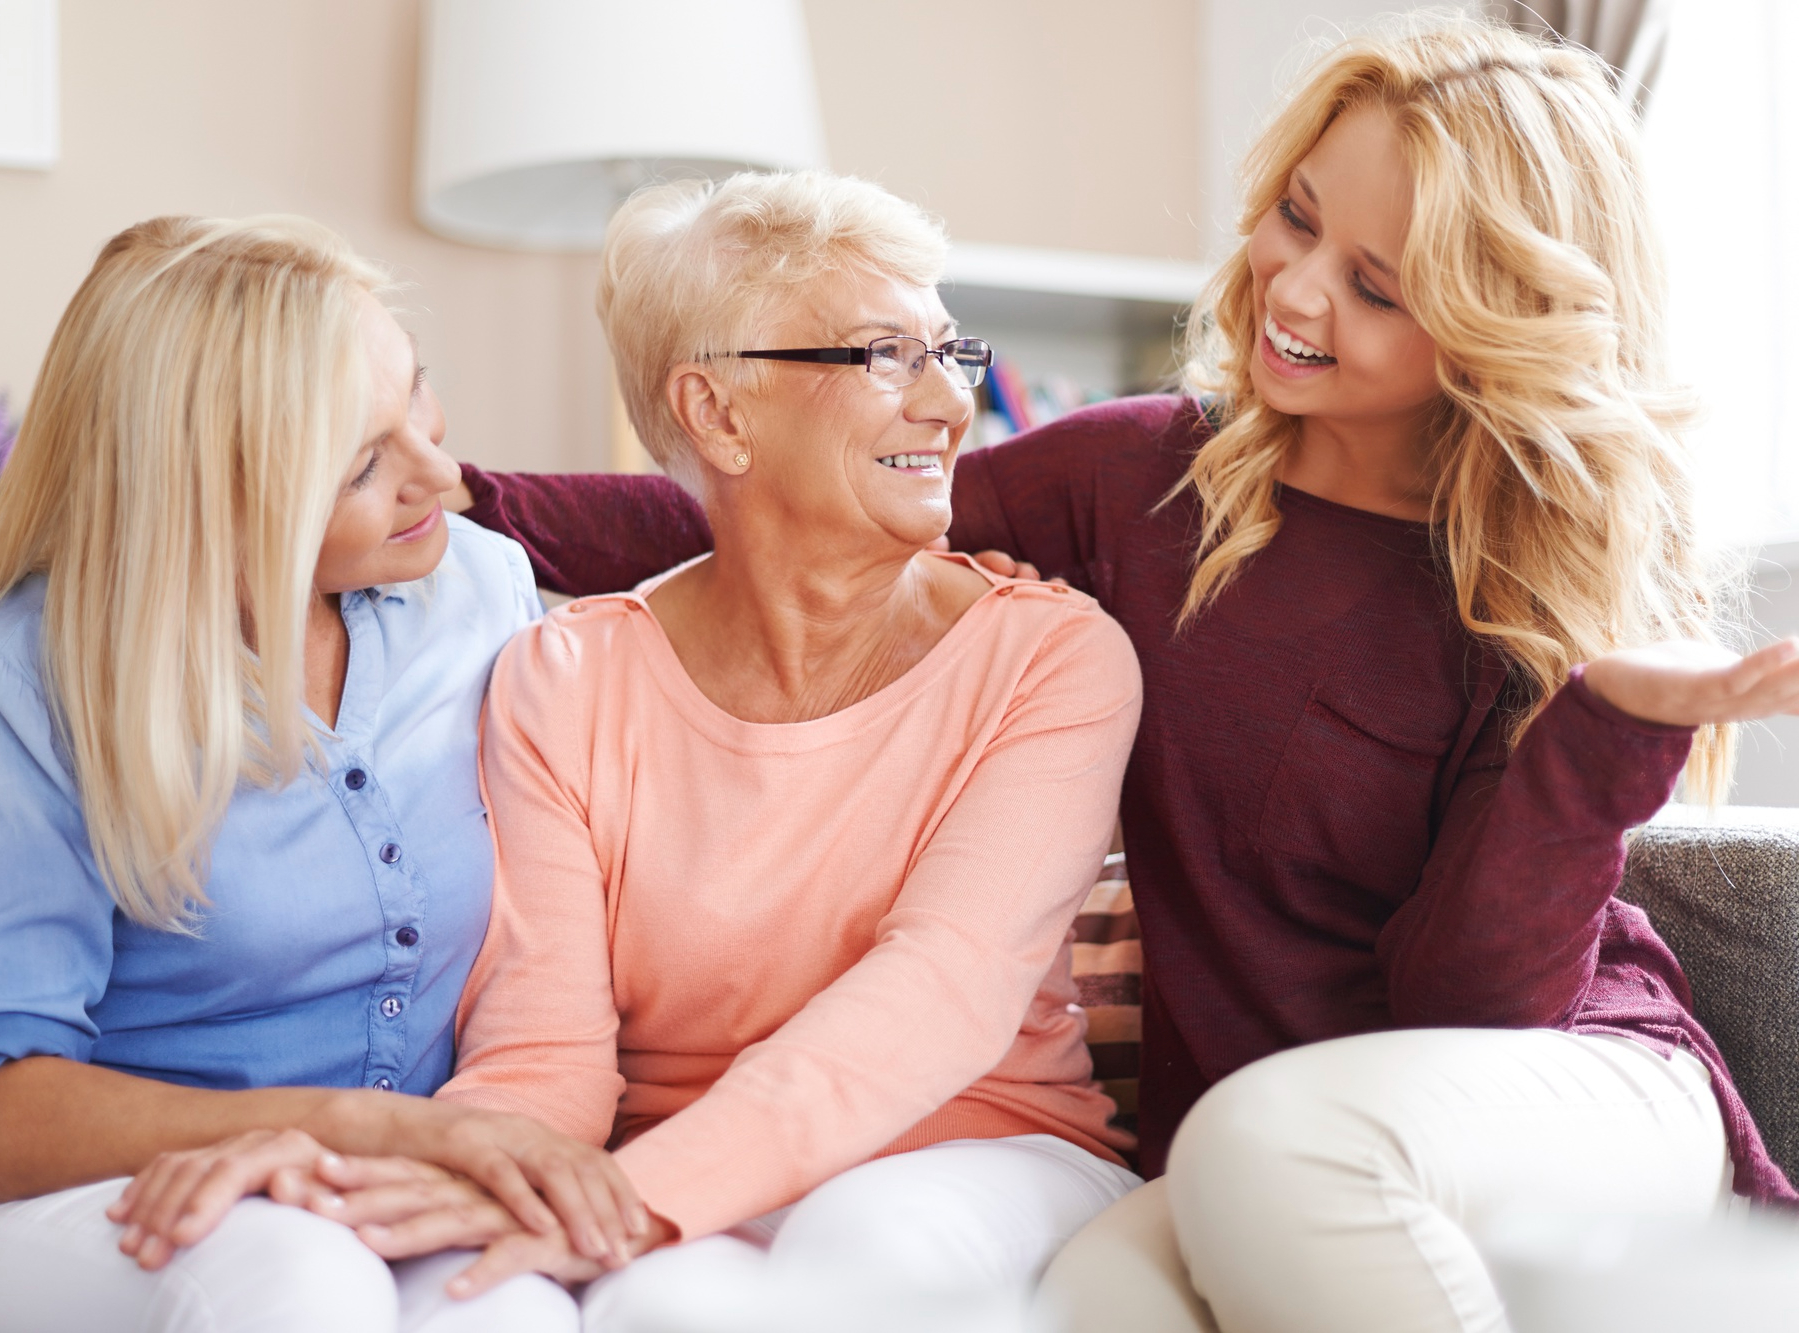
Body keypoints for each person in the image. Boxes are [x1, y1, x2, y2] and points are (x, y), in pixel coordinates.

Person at [421, 17, 1799, 1332]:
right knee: (1095, 1300)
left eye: (1377, 284)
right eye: (1300, 217)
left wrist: (1602, 730)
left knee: (1268, 1153)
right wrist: (436, 495)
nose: (1299, 288)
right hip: (1244, 1151)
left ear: (1493, 322)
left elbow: (1471, 1013)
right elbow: (783, 512)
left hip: (1566, 1085)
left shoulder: (1512, 599)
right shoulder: (1141, 480)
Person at [276, 170, 1144, 1325]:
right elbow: (546, 1054)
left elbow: (939, 994)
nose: (947, 404)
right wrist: (420, 1196)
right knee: (621, 1306)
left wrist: (621, 1205)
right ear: (718, 414)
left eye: (952, 351)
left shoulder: (1051, 659)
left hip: (983, 1150)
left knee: (858, 1242)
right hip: (677, 1176)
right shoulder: (562, 678)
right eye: (887, 355)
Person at [0, 215, 644, 1333]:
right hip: (29, 1209)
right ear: (206, 499)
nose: (442, 471)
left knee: (504, 1300)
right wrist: (340, 1129)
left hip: (362, 1181)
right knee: (292, 1281)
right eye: (362, 464)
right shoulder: (20, 682)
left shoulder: (479, 593)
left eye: (415, 394)